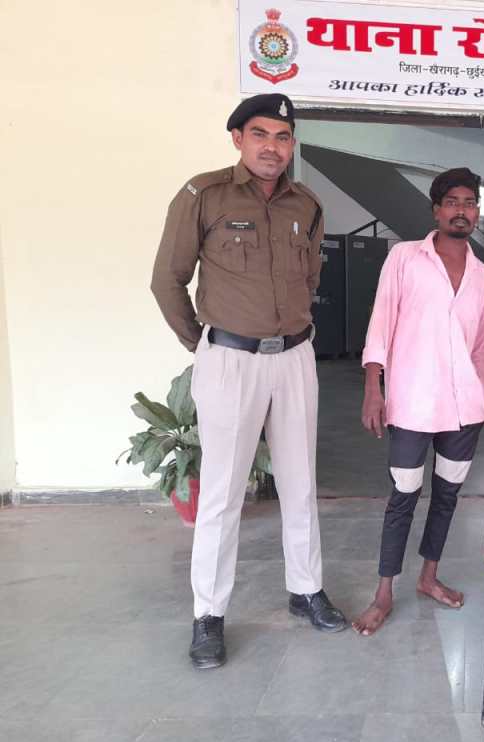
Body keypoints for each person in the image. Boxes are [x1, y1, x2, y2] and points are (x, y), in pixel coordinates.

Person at [151, 93, 346, 670]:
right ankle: (209, 615)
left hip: (295, 357)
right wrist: (205, 344)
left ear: (292, 145)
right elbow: (167, 281)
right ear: (238, 139)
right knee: (222, 492)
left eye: (283, 137)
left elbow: (310, 277)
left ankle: (306, 589)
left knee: (300, 480)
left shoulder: (307, 204)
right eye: (260, 134)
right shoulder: (204, 195)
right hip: (230, 359)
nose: (272, 147)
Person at [354, 167, 484, 636]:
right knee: (404, 495)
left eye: (469, 203)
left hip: (464, 409)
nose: (461, 211)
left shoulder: (480, 274)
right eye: (452, 202)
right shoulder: (405, 258)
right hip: (413, 402)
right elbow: (381, 322)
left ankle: (429, 577)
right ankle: (384, 592)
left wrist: (483, 399)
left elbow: (481, 343)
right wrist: (373, 387)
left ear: (477, 212)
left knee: (447, 495)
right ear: (436, 210)